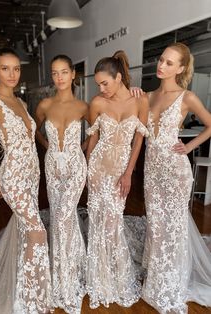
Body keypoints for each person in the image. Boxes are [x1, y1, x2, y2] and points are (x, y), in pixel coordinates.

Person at [135, 42, 211, 313]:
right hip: (152, 171)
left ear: (180, 68)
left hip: (175, 173)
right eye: (161, 60)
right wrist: (132, 94)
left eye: (169, 63)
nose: (161, 65)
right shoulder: (147, 96)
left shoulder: (186, 97)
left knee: (173, 228)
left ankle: (171, 284)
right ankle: (156, 280)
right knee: (156, 226)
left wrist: (189, 147)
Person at [0, 48, 51, 314]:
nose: (12, 74)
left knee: (25, 233)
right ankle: (32, 298)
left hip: (32, 174)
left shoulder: (20, 101)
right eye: (5, 68)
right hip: (14, 176)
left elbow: (31, 140)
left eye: (16, 68)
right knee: (37, 231)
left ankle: (24, 285)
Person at [86, 50, 149, 309]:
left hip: (120, 171)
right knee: (98, 221)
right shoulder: (98, 103)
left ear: (119, 77)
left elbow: (138, 141)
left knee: (112, 223)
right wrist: (87, 172)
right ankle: (99, 278)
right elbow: (93, 141)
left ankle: (115, 276)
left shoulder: (140, 101)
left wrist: (128, 173)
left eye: (105, 83)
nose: (102, 89)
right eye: (98, 84)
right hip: (98, 169)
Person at [35, 55, 88, 314]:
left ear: (73, 74)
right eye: (55, 73)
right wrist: (49, 149)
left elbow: (99, 129)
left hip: (76, 167)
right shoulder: (44, 105)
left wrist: (81, 150)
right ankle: (69, 264)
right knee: (58, 218)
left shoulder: (84, 106)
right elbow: (32, 129)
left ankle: (68, 279)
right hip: (53, 167)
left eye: (64, 72)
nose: (59, 77)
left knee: (66, 215)